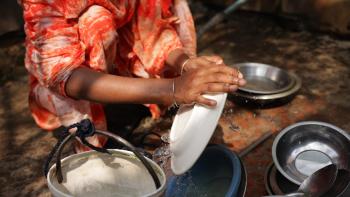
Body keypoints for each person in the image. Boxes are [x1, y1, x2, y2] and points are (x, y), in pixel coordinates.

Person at [21, 0, 246, 152]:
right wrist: (172, 89)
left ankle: (164, 103)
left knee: (175, 3)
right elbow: (63, 74)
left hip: (114, 52)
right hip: (61, 83)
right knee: (95, 21)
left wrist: (185, 63)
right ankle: (92, 148)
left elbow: (149, 27)